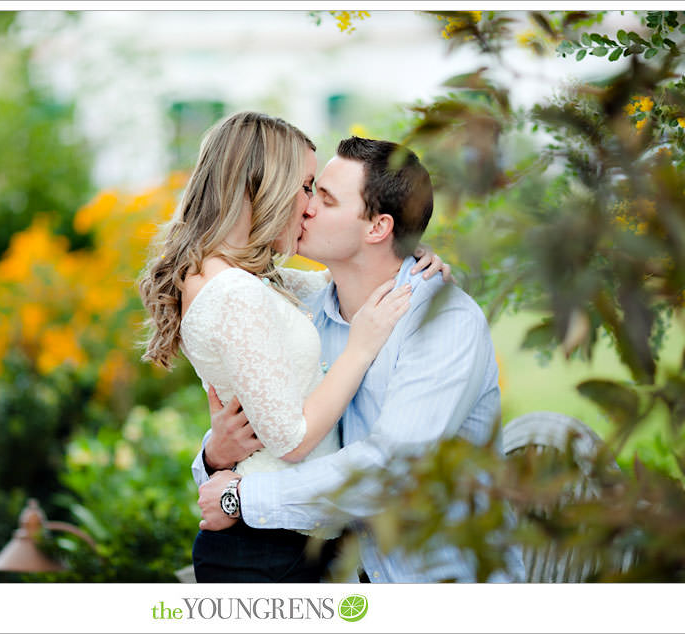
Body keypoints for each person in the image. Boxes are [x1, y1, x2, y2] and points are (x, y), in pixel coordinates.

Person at [195, 136, 526, 583]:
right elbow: (265, 427)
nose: (305, 206)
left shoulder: (445, 324)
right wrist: (216, 456)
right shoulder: (306, 306)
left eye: (325, 199)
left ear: (377, 228)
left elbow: (391, 470)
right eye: (311, 190)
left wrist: (244, 498)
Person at [139, 112, 449, 582]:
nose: (309, 207)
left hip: (283, 534)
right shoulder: (235, 292)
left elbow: (331, 281)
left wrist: (405, 252)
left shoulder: (240, 278)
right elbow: (291, 439)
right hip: (268, 546)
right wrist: (360, 348)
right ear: (264, 186)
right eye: (307, 187)